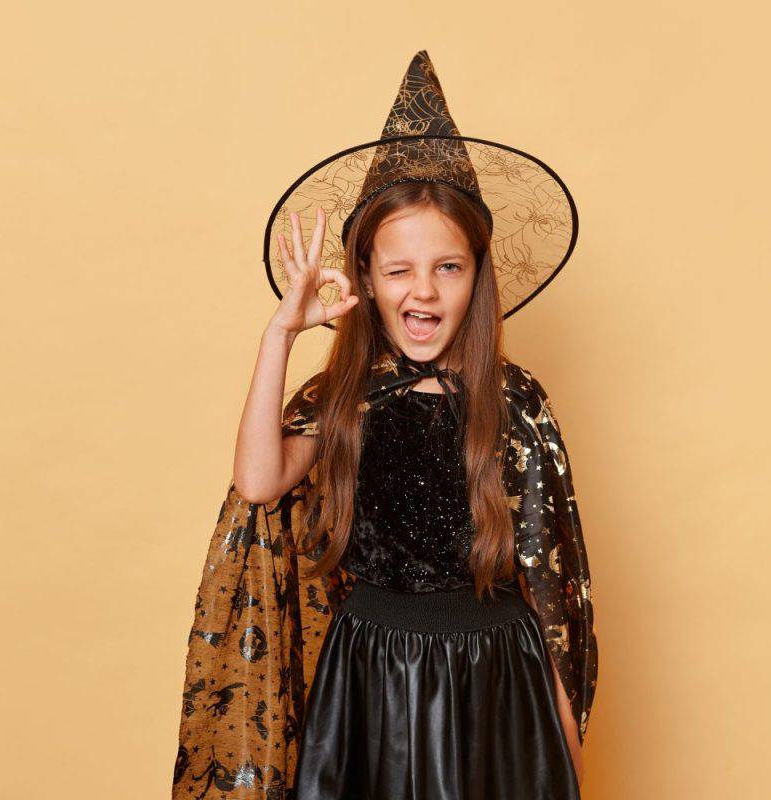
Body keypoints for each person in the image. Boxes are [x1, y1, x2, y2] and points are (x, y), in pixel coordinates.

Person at [172, 50, 597, 800]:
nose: (423, 291)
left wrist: (564, 755)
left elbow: (552, 587)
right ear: (365, 278)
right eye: (398, 270)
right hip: (368, 678)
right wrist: (282, 334)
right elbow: (258, 479)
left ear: (478, 275)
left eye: (449, 268)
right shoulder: (343, 395)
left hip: (495, 678)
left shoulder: (516, 403)